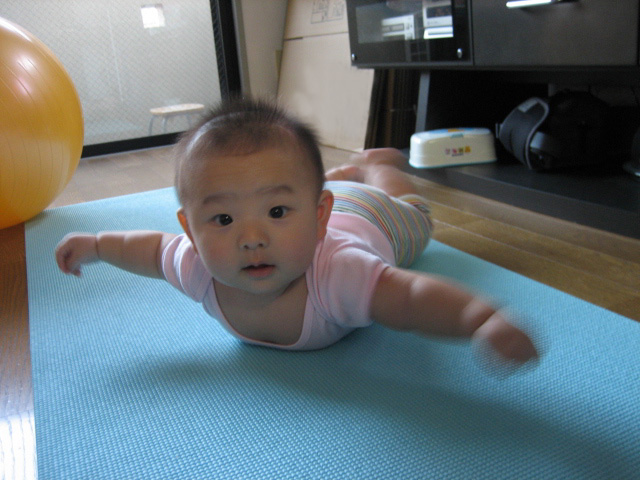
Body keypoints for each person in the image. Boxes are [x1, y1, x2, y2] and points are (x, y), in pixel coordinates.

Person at [55, 98, 538, 368]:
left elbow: (411, 298)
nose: (251, 238)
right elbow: (152, 250)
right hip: (321, 198)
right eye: (223, 220)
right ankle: (328, 184)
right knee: (305, 191)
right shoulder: (197, 265)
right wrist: (98, 246)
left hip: (370, 218)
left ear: (318, 215)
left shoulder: (340, 274)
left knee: (417, 215)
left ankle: (376, 167)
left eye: (275, 212)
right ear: (191, 229)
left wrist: (479, 318)